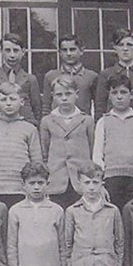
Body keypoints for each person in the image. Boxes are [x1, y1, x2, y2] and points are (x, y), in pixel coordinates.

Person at [92, 72, 133, 212]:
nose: (119, 96)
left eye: (123, 92)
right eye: (114, 93)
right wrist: (100, 182)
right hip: (111, 180)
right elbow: (97, 155)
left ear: (131, 95)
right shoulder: (103, 122)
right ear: (109, 95)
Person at [0, 86, 42, 209]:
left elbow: (36, 163)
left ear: (22, 101)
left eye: (13, 99)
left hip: (20, 190)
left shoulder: (30, 129)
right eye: (3, 100)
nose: (8, 103)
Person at [40, 74, 95, 208]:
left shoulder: (86, 120)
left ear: (76, 94)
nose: (64, 98)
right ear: (53, 96)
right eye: (59, 95)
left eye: (68, 94)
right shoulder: (47, 121)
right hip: (57, 180)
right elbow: (44, 150)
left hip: (80, 180)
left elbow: (92, 147)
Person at [93, 28, 133, 128]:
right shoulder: (106, 75)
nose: (125, 49)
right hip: (113, 126)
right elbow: (100, 106)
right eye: (121, 45)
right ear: (115, 48)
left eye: (129, 45)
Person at [0, 31, 43, 123]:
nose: (12, 55)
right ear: (1, 51)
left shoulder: (30, 79)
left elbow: (37, 110)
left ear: (23, 52)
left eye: (16, 50)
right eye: (8, 50)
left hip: (24, 128)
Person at [41, 33, 96, 116]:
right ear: (59, 52)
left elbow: (98, 105)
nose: (68, 53)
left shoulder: (91, 76)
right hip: (56, 122)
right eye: (64, 50)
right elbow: (46, 106)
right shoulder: (51, 76)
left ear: (81, 51)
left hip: (82, 123)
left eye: (72, 49)